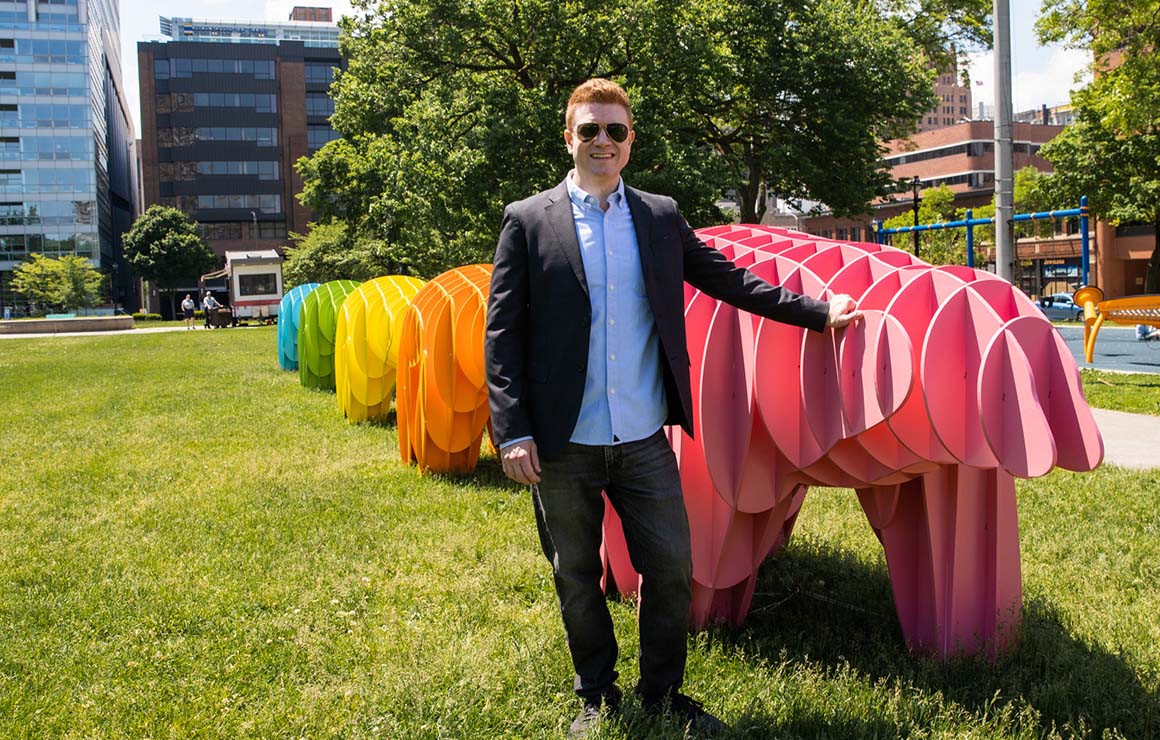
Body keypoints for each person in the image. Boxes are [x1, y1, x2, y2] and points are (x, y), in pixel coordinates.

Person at [484, 78, 862, 739]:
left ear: (630, 141)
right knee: (576, 573)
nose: (603, 141)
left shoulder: (658, 217)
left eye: (615, 131)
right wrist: (512, 430)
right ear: (567, 137)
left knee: (670, 569)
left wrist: (815, 313)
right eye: (589, 130)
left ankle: (661, 694)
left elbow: (727, 279)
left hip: (642, 439)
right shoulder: (527, 220)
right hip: (562, 443)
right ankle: (595, 694)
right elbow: (502, 334)